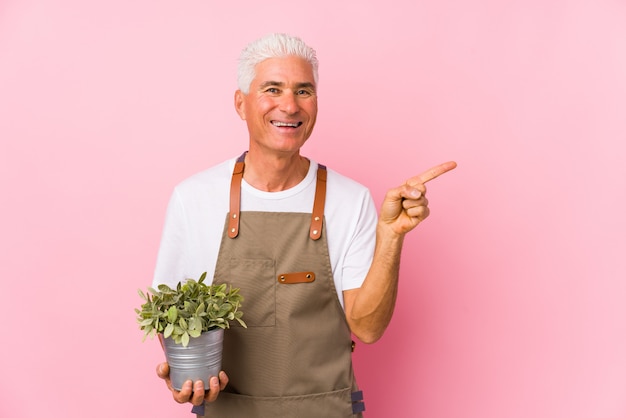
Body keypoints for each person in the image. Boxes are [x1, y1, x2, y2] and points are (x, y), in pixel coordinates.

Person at [152, 33, 456, 417]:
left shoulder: (350, 199)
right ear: (240, 103)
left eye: (304, 91)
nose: (289, 106)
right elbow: (169, 315)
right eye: (273, 89)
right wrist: (186, 375)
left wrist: (391, 236)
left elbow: (367, 328)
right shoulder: (194, 198)